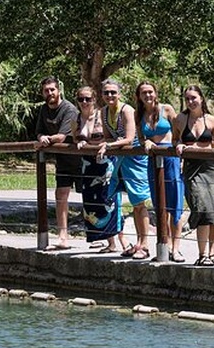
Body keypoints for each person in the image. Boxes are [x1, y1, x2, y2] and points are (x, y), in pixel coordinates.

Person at [174, 85, 214, 267]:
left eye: (194, 98)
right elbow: (175, 139)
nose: (190, 102)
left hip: (213, 170)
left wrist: (196, 148)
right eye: (187, 98)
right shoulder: (180, 119)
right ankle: (202, 254)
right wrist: (179, 145)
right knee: (202, 208)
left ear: (201, 99)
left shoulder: (212, 120)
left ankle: (213, 253)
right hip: (192, 169)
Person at [101, 78, 151, 260]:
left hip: (135, 159)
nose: (110, 95)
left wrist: (108, 146)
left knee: (139, 203)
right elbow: (107, 137)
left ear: (119, 94)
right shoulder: (104, 112)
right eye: (106, 92)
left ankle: (144, 244)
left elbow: (130, 138)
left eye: (113, 92)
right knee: (128, 202)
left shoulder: (127, 110)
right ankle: (137, 243)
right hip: (119, 159)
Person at [136, 81, 186, 262]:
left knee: (175, 204)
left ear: (156, 93)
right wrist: (145, 142)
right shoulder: (139, 114)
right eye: (143, 93)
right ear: (139, 97)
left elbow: (178, 131)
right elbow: (140, 138)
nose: (147, 95)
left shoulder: (167, 109)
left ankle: (176, 247)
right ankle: (163, 244)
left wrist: (179, 148)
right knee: (159, 205)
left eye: (150, 92)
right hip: (153, 160)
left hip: (170, 158)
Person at [73, 86, 122, 253]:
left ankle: (114, 241)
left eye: (88, 99)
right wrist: (80, 142)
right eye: (81, 99)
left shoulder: (102, 116)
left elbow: (111, 137)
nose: (85, 102)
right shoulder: (77, 118)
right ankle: (99, 239)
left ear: (94, 99)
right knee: (90, 202)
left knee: (107, 200)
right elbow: (75, 137)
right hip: (87, 164)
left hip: (105, 162)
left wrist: (95, 144)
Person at [34, 76, 80, 250]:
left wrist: (46, 140)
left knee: (93, 198)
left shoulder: (69, 109)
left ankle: (107, 238)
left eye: (52, 89)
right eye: (46, 90)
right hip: (62, 160)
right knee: (61, 195)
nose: (50, 93)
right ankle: (63, 236)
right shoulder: (44, 110)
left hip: (80, 159)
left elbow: (62, 135)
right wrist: (41, 138)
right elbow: (38, 132)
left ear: (58, 90)